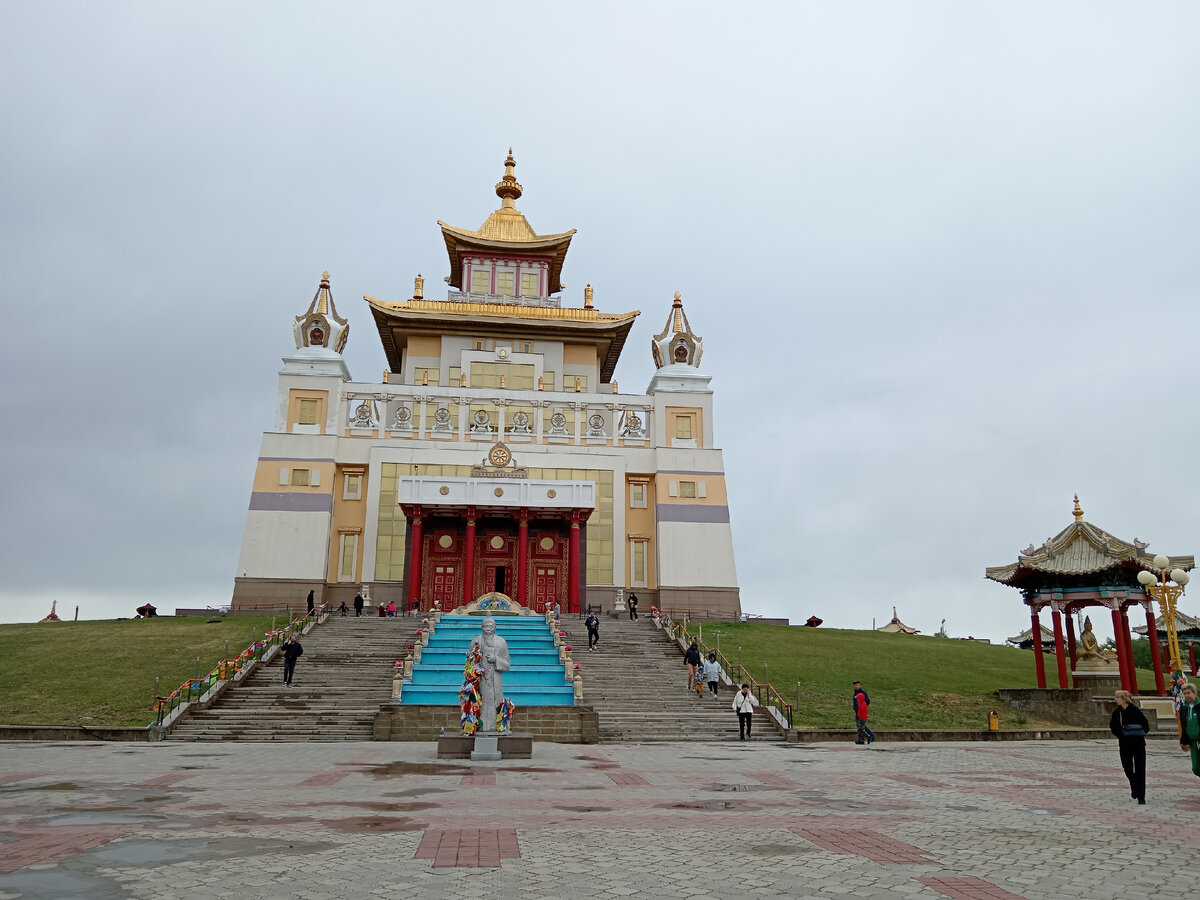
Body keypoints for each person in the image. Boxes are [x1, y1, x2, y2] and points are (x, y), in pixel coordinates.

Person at [469, 615, 511, 731]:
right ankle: (477, 726)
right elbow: (469, 663)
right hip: (480, 679)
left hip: (494, 678)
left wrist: (496, 659)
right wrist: (474, 660)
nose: (488, 628)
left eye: (491, 626)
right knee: (478, 702)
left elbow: (507, 665)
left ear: (495, 628)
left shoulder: (501, 642)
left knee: (495, 702)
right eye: (486, 626)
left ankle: (495, 726)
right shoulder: (476, 641)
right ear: (481, 627)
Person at [1109, 689, 1149, 803]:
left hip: (1138, 743)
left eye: (1117, 697)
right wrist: (1122, 735)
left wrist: (1138, 733)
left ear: (1124, 699)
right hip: (1125, 743)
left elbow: (1146, 725)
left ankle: (1141, 796)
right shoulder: (1117, 713)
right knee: (1127, 767)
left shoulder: (1135, 710)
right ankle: (1134, 785)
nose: (1115, 700)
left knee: (1140, 769)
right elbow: (1113, 727)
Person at [1180, 682, 1200, 778]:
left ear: (1195, 693)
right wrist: (1184, 741)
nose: (1187, 695)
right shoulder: (1184, 708)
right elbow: (1183, 726)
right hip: (1192, 742)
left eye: (1189, 693)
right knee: (1196, 768)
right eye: (1185, 693)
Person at [853, 681, 875, 745]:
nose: (855, 686)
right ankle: (861, 739)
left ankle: (870, 735)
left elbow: (867, 701)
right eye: (855, 685)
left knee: (861, 726)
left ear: (860, 685)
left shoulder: (863, 692)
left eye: (857, 685)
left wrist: (862, 707)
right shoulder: (855, 692)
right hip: (857, 711)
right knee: (860, 726)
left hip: (861, 712)